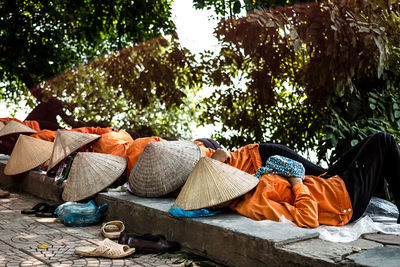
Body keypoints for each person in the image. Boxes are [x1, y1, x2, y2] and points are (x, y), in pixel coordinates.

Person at [227, 132, 400, 228]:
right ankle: (385, 210)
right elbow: (308, 218)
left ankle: (383, 209)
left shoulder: (248, 187)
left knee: (373, 145)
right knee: (383, 141)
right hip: (340, 201)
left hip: (327, 184)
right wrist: (297, 182)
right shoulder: (254, 203)